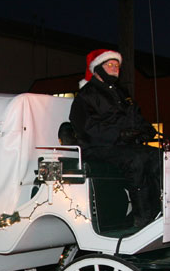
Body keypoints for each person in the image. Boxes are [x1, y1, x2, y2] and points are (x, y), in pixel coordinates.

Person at [68, 49, 161, 227]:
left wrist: (146, 129)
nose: (114, 68)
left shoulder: (122, 94)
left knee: (158, 157)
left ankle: (158, 209)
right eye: (109, 65)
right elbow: (87, 128)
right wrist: (119, 134)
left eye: (117, 65)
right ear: (97, 69)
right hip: (97, 148)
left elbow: (135, 116)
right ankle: (142, 216)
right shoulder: (86, 95)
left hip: (122, 146)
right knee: (137, 160)